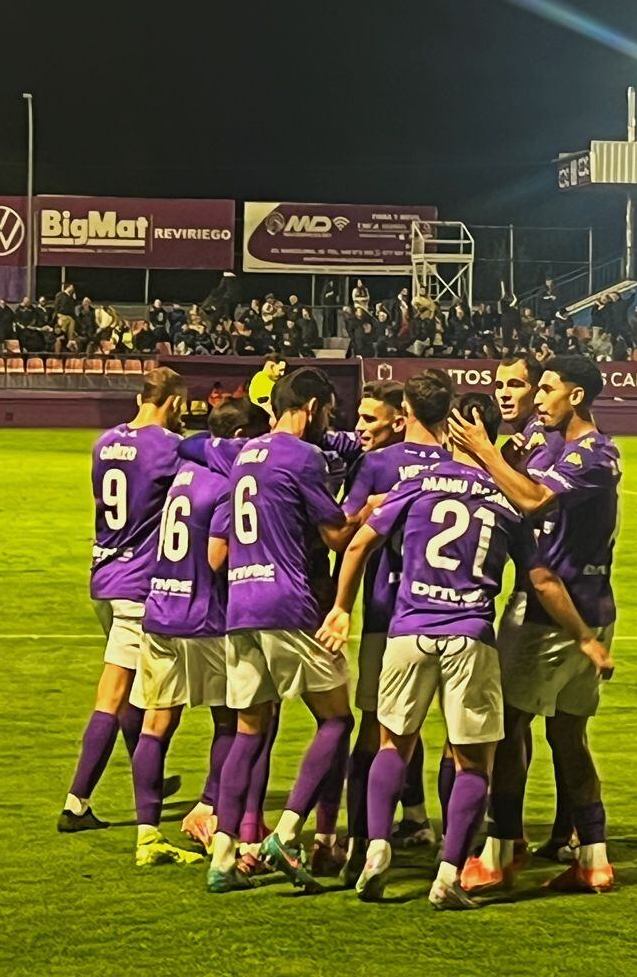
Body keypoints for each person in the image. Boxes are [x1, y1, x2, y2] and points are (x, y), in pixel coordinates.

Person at [322, 367, 611, 909]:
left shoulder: (414, 484)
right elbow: (542, 579)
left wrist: (340, 607)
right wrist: (586, 639)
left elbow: (357, 543)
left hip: (407, 630)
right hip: (471, 636)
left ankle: (378, 847)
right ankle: (450, 875)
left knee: (392, 743)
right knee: (474, 759)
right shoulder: (506, 502)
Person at [454, 353, 623, 894]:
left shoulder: (595, 454)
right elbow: (518, 460)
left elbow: (531, 496)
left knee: (508, 730)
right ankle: (592, 859)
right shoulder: (540, 434)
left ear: (575, 396)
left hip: (551, 612)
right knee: (568, 734)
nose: (535, 399)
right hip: (594, 611)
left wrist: (482, 450)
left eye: (545, 389)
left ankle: (501, 850)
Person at [200, 366, 368, 893]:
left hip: (241, 607)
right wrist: (372, 507)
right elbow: (338, 536)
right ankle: (288, 832)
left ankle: (223, 857)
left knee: (249, 730)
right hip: (288, 601)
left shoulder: (246, 452)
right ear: (313, 405)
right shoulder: (304, 456)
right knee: (337, 719)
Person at [60, 366, 190, 834]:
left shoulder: (104, 442)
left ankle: (137, 778)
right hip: (139, 583)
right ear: (173, 402)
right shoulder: (169, 448)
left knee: (124, 688)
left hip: (102, 575)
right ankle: (82, 801)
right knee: (128, 694)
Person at [127, 397, 253, 870]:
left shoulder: (185, 471)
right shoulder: (227, 481)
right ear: (239, 436)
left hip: (160, 607)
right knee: (228, 720)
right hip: (203, 617)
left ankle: (146, 834)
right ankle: (210, 811)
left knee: (158, 723)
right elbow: (218, 557)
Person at [334, 380, 434, 877]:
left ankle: (358, 843)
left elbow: (344, 536)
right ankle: (423, 821)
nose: (359, 427)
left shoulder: (374, 467)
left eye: (370, 419)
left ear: (400, 419)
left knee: (377, 731)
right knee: (433, 731)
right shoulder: (452, 464)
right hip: (452, 617)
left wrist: (368, 508)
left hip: (384, 615)